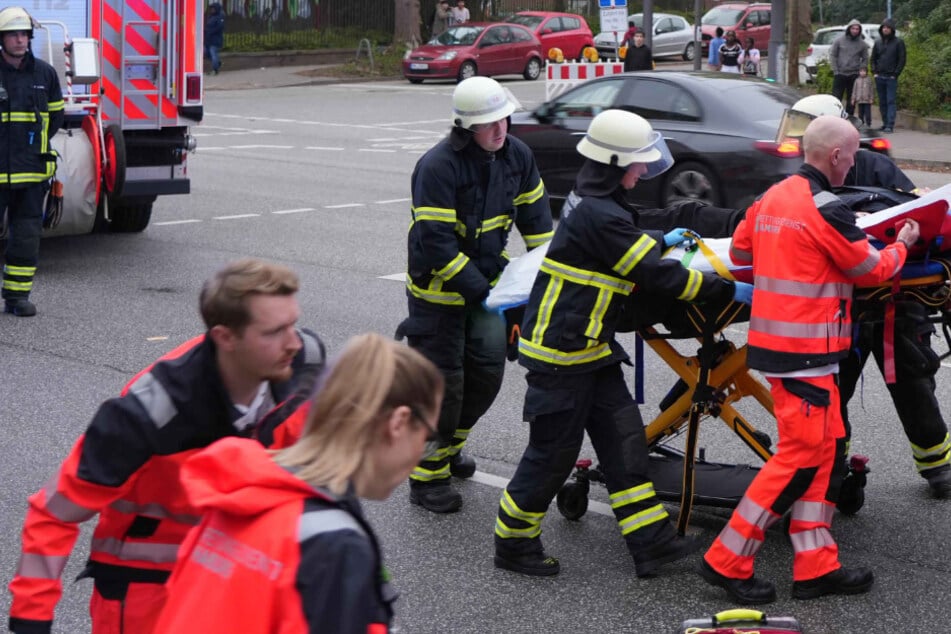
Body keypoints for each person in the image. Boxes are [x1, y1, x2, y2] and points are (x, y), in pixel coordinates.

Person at [493, 109, 752, 578]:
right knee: (551, 456)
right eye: (636, 163)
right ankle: (513, 541)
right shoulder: (598, 211)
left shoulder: (596, 202)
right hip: (561, 354)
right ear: (614, 163)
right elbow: (656, 275)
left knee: (624, 443)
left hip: (589, 348)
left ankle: (650, 543)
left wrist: (659, 236)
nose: (642, 171)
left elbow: (625, 240)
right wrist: (727, 289)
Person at [8, 258, 326, 634]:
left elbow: (312, 471)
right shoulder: (147, 414)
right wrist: (31, 618)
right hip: (147, 588)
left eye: (294, 323)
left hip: (245, 573)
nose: (295, 342)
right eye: (275, 331)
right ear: (225, 338)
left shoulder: (302, 361)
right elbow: (55, 513)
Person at [699, 115, 919, 604]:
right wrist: (903, 244)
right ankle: (726, 559)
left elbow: (740, 250)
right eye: (852, 155)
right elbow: (870, 269)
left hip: (785, 348)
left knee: (823, 450)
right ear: (837, 156)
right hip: (807, 352)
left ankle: (816, 565)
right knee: (799, 458)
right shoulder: (827, 208)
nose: (854, 163)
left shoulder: (772, 197)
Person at [153, 333, 443, 634]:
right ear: (398, 423)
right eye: (426, 438)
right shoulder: (333, 544)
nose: (419, 455)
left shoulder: (238, 491)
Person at [396, 76, 553, 513]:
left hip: (487, 289)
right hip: (438, 294)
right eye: (488, 125)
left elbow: (538, 227)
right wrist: (484, 292)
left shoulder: (517, 156)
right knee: (442, 386)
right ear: (466, 128)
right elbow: (438, 245)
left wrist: (538, 281)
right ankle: (426, 477)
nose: (499, 131)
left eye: (502, 119)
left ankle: (446, 451)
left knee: (485, 378)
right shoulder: (438, 166)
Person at [0, 6, 64, 317]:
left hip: (30, 174)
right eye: (13, 34)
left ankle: (17, 298)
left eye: (24, 34)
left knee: (25, 240)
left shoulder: (45, 74)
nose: (20, 39)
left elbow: (55, 118)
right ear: (2, 39)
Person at [871, 18, 905, 133]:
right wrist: (874, 72)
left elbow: (902, 60)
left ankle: (890, 125)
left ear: (892, 29)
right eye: (884, 27)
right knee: (882, 102)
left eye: (887, 27)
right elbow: (873, 58)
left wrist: (895, 74)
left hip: (891, 77)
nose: (885, 29)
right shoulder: (878, 42)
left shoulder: (898, 42)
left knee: (890, 101)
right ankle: (884, 123)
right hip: (879, 76)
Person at [829, 20, 869, 117]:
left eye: (857, 29)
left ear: (859, 30)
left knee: (852, 98)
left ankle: (849, 117)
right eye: (853, 28)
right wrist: (835, 70)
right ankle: (835, 116)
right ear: (849, 29)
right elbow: (833, 55)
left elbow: (865, 58)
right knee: (836, 98)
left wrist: (861, 70)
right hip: (840, 74)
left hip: (854, 74)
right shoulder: (839, 41)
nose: (855, 31)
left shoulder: (862, 44)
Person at [204, 2, 224, 75]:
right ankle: (217, 63)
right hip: (209, 39)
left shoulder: (220, 17)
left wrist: (210, 31)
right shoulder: (210, 17)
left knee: (213, 53)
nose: (212, 10)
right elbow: (208, 26)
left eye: (213, 8)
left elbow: (219, 27)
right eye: (211, 8)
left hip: (215, 40)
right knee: (206, 53)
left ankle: (215, 70)